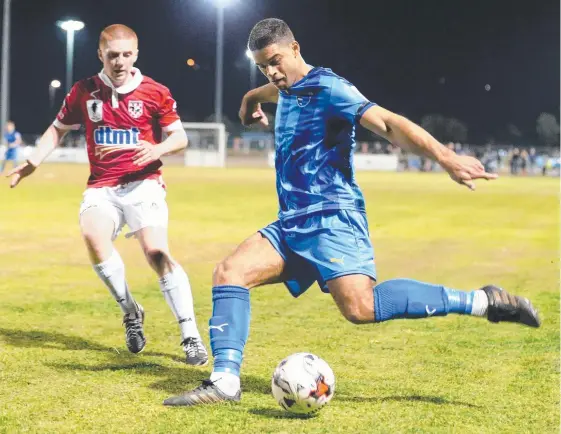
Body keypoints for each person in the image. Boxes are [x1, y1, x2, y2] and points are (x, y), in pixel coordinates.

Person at [164, 18, 540, 406]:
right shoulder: (283, 87)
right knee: (229, 273)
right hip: (293, 220)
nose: (272, 72)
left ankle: (483, 301)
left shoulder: (330, 88)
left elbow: (390, 124)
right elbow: (263, 92)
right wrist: (249, 102)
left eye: (276, 61)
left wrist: (446, 158)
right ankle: (225, 383)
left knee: (361, 308)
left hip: (332, 218)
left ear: (295, 48)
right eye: (263, 66)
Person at [6, 24, 208, 365]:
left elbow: (180, 138)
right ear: (100, 54)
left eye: (127, 54)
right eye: (113, 55)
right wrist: (33, 161)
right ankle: (131, 311)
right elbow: (57, 129)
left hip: (144, 184)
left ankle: (190, 334)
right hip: (102, 186)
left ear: (136, 54)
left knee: (157, 253)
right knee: (92, 235)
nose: (120, 61)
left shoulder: (154, 92)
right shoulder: (85, 91)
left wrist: (158, 148)